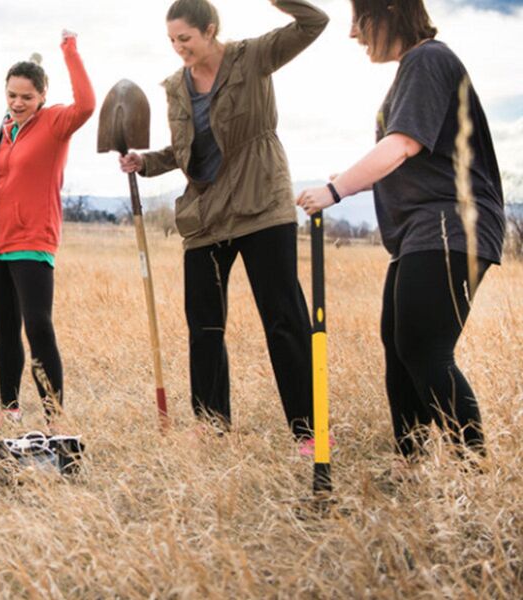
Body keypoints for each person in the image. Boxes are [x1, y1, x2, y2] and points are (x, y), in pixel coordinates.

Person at [296, 0, 504, 459]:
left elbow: (402, 144)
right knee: (400, 345)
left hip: (451, 224)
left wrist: (336, 188)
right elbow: (406, 154)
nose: (354, 33)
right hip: (422, 229)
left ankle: (473, 467)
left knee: (426, 349)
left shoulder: (429, 59)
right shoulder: (417, 66)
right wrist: (349, 177)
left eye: (359, 19)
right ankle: (410, 462)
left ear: (389, 11)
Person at [119, 0, 328, 447]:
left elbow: (315, 23)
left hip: (261, 205)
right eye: (172, 40)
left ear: (210, 30)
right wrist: (144, 161)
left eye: (185, 39)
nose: (178, 48)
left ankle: (308, 430)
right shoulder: (176, 86)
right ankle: (212, 424)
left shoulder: (253, 56)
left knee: (284, 318)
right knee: (205, 324)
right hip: (206, 215)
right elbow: (183, 151)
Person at [0, 30, 94, 434]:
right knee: (6, 329)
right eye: (12, 96)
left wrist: (69, 50)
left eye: (26, 96)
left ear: (41, 95)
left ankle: (54, 417)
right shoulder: (1, 134)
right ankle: (10, 408)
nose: (18, 103)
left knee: (38, 326)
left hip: (33, 241)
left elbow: (88, 104)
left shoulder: (56, 122)